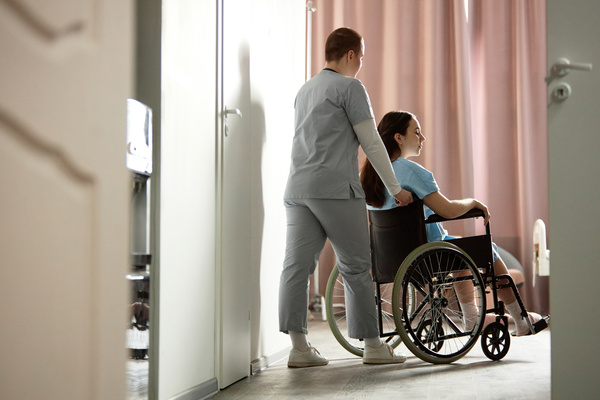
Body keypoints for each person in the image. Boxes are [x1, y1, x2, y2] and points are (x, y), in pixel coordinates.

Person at [279, 28, 412, 368]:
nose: (362, 64)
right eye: (362, 57)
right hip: (335, 189)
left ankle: (299, 349)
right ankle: (372, 345)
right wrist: (395, 189)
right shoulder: (350, 87)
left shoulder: (304, 90)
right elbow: (371, 141)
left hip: (297, 189)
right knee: (356, 266)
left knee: (296, 267)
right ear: (351, 55)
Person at [361, 110, 544, 335]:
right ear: (398, 137)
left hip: (390, 258)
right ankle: (521, 319)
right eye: (416, 132)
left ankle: (473, 318)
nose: (422, 138)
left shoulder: (372, 174)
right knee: (487, 250)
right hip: (428, 254)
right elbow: (447, 210)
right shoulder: (411, 172)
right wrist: (473, 202)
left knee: (458, 249)